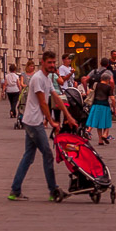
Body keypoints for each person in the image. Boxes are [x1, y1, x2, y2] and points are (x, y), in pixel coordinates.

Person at [9, 51, 73, 202]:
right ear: (42, 62)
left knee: (28, 157)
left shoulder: (47, 78)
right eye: (49, 62)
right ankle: (53, 190)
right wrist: (51, 121)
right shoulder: (37, 78)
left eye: (53, 62)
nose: (52, 65)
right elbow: (43, 102)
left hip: (32, 121)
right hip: (34, 121)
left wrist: (68, 116)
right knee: (47, 154)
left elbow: (56, 97)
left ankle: (15, 190)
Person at [86, 70, 115, 145]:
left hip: (96, 105)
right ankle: (105, 134)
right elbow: (112, 99)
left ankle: (100, 140)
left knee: (99, 124)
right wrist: (114, 108)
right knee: (107, 122)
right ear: (108, 80)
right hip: (105, 105)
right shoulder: (108, 87)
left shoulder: (96, 85)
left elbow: (89, 92)